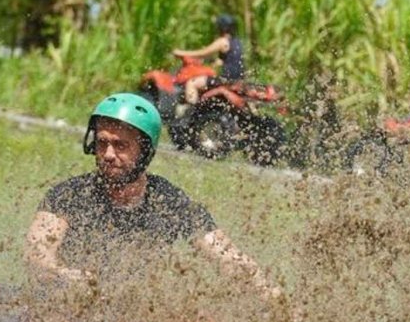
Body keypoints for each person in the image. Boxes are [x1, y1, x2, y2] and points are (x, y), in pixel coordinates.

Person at [24, 92, 279, 298]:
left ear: (145, 151)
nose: (109, 154)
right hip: (66, 311)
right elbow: (37, 257)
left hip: (128, 320)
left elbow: (228, 257)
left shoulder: (168, 201)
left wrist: (267, 291)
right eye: (102, 143)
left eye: (121, 145)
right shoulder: (69, 195)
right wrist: (63, 275)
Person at [173, 13, 245, 108]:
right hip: (237, 79)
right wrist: (214, 63)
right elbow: (229, 60)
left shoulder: (223, 41)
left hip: (226, 80)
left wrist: (181, 53)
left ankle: (191, 111)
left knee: (192, 83)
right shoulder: (237, 42)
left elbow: (202, 53)